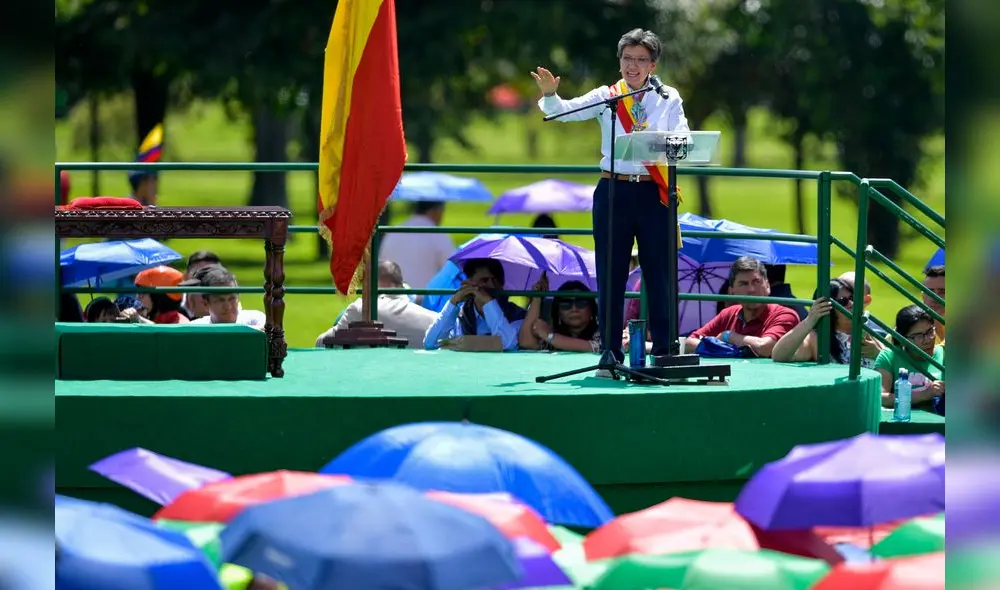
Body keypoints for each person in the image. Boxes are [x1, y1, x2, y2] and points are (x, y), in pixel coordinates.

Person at [532, 28, 689, 367]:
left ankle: (664, 350)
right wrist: (550, 95)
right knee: (610, 272)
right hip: (614, 190)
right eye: (627, 59)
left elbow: (684, 138)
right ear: (619, 62)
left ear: (653, 64)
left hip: (653, 191)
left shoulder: (667, 97)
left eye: (641, 60)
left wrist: (659, 143)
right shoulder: (608, 96)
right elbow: (565, 111)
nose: (633, 66)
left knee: (659, 274)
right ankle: (610, 353)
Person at [684, 256, 800, 358]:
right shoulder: (729, 313)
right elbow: (689, 344)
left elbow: (764, 348)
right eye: (743, 284)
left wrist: (728, 336)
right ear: (731, 292)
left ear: (768, 285)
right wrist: (726, 349)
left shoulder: (785, 314)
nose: (751, 290)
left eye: (756, 282)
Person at [315, 260, 438, 348]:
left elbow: (321, 343)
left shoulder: (360, 309)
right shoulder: (433, 320)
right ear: (402, 285)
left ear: (369, 286)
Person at [771, 279, 885, 366]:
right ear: (826, 307)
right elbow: (779, 355)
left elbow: (894, 363)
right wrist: (809, 320)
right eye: (843, 301)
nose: (851, 303)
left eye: (852, 298)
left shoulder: (866, 329)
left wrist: (877, 353)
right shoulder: (817, 338)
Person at [423, 258, 525, 351]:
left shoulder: (518, 315)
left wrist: (489, 303)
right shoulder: (460, 314)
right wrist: (454, 302)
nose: (492, 285)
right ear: (469, 283)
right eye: (484, 280)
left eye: (496, 280)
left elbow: (508, 344)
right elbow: (431, 343)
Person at [874, 304, 945, 411]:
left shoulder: (945, 354)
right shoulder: (889, 356)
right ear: (902, 338)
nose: (927, 340)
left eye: (930, 332)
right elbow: (881, 397)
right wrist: (923, 395)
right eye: (918, 336)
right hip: (902, 422)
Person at [378, 201, 455, 293]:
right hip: (426, 301)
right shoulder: (439, 236)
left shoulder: (392, 232)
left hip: (391, 299)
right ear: (436, 210)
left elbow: (380, 266)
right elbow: (452, 270)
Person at [519, 275, 601, 352]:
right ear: (558, 312)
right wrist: (537, 297)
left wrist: (549, 336)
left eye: (581, 303)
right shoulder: (552, 335)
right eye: (566, 304)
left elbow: (590, 347)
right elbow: (526, 343)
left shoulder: (603, 333)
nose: (574, 309)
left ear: (592, 308)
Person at [188, 266, 266, 329]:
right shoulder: (195, 329)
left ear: (238, 298)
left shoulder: (255, 320)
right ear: (206, 303)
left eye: (232, 298)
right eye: (220, 300)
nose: (227, 306)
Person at [124, 266, 190, 324]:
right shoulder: (150, 317)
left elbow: (164, 335)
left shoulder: (181, 323)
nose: (138, 297)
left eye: (142, 293)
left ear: (159, 297)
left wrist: (140, 321)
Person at [922, 265, 945, 345]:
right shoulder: (907, 326)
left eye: (942, 291)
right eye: (929, 291)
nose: (935, 297)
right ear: (922, 296)